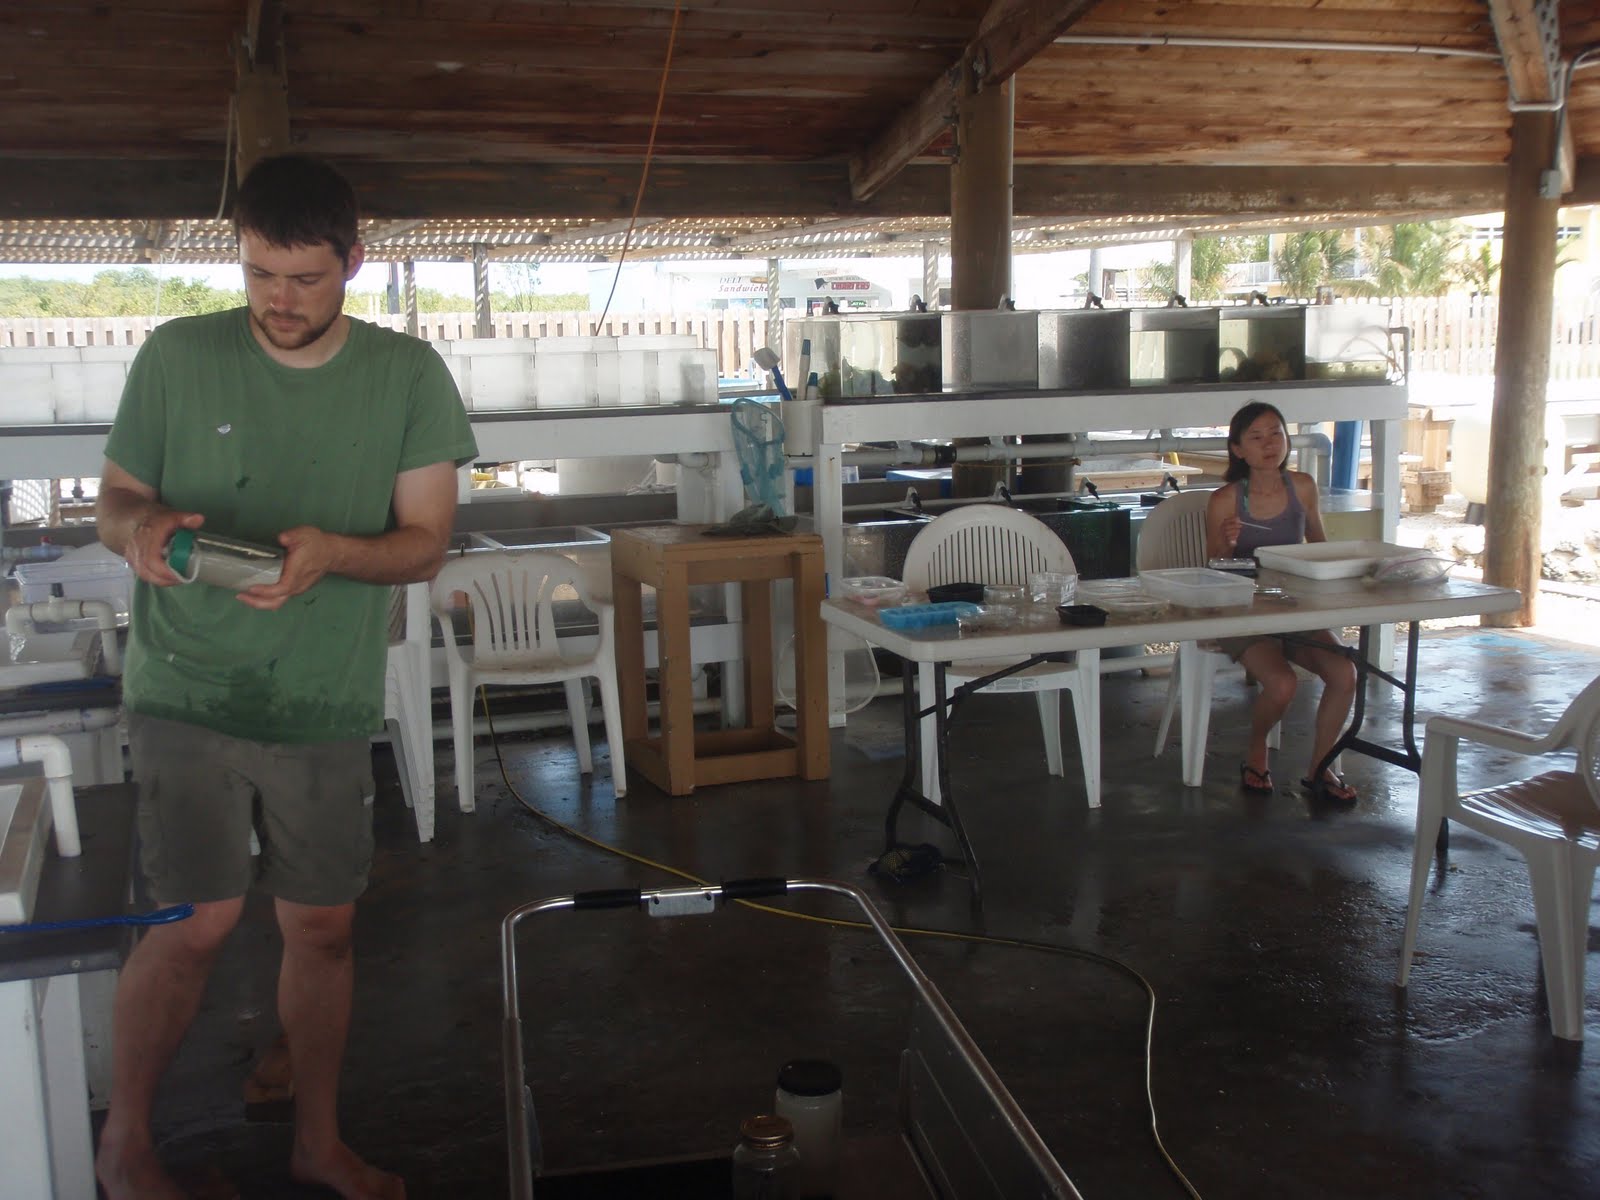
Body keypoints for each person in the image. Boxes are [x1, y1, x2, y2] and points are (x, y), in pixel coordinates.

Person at [93, 153, 477, 1200]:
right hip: (184, 683)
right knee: (196, 922)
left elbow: (427, 542)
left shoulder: (406, 374)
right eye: (261, 273)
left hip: (320, 694)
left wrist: (331, 556)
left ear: (355, 261)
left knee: (322, 926)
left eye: (306, 278)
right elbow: (116, 499)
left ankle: (317, 1139)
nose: (279, 300)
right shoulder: (177, 355)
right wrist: (142, 531)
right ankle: (125, 1144)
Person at [1205, 401, 1358, 804]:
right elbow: (1211, 570)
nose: (1268, 443)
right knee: (1283, 683)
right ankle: (1257, 749)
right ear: (1237, 449)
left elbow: (1319, 548)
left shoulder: (1302, 486)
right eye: (1255, 437)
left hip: (1294, 610)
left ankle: (1320, 767)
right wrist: (1230, 543)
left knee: (1345, 674)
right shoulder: (1224, 499)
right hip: (1243, 616)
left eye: (1276, 433)